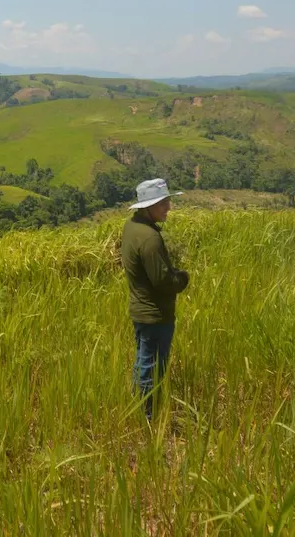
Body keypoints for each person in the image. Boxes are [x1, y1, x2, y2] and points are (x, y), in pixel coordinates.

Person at [121, 178, 189, 420]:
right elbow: (162, 281)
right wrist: (182, 278)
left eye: (167, 201)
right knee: (153, 366)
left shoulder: (132, 227)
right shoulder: (150, 237)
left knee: (143, 361)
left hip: (141, 310)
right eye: (163, 203)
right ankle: (148, 416)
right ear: (148, 207)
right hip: (154, 314)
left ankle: (140, 408)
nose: (169, 207)